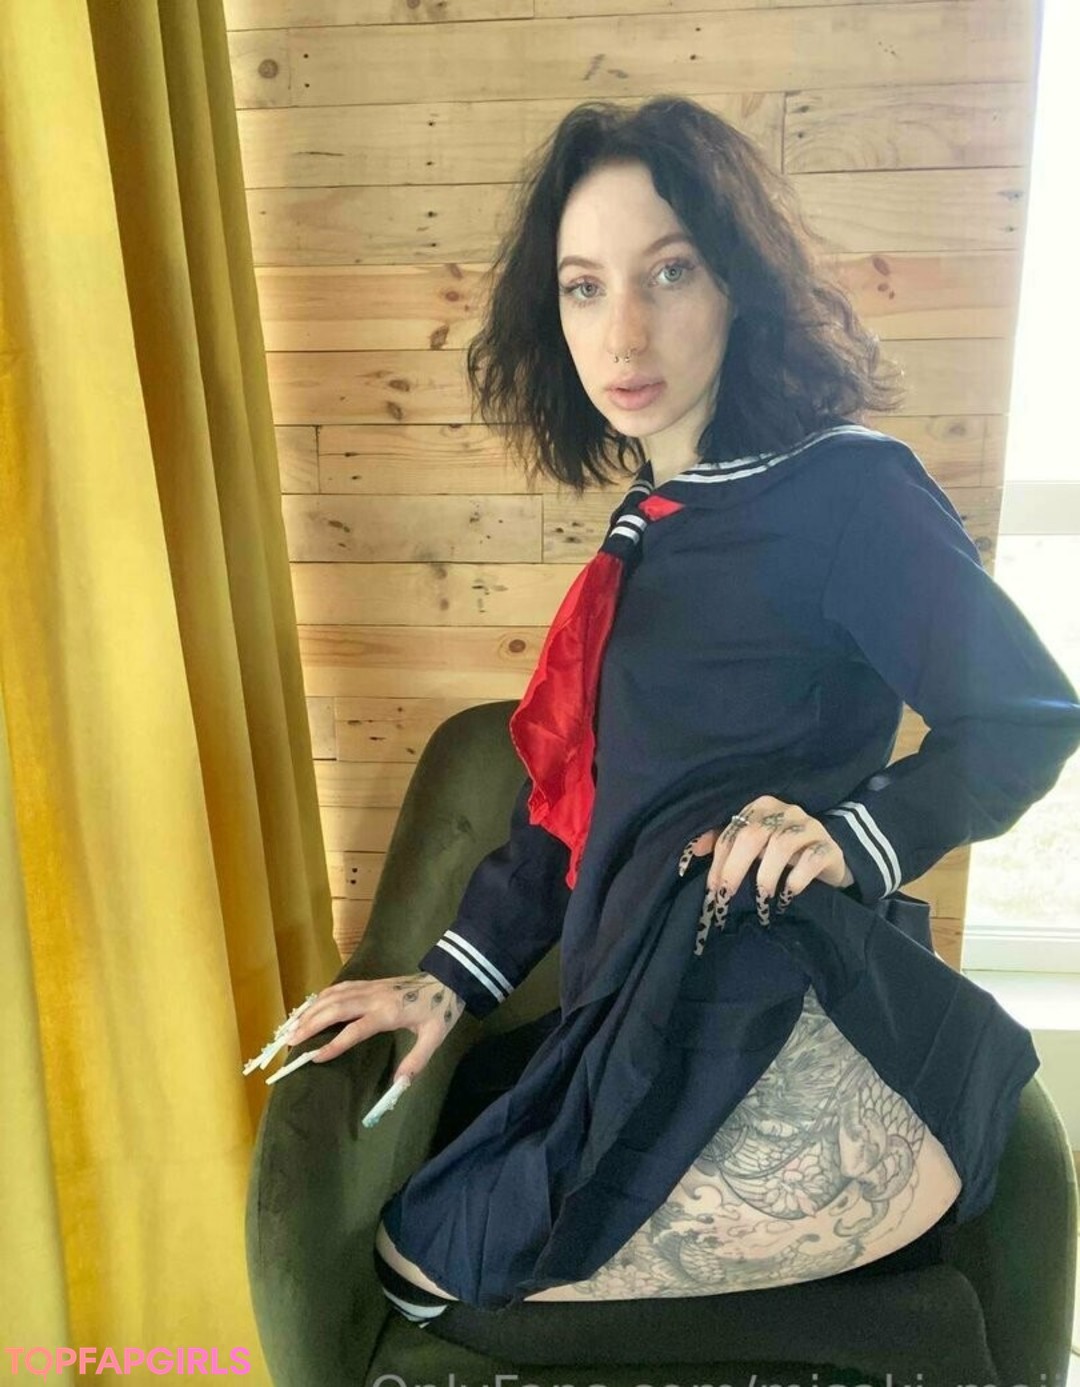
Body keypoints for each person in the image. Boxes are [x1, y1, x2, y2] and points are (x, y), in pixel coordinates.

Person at [280, 97, 1080, 1367]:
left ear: (737, 282)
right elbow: (571, 810)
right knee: (426, 1233)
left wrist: (855, 832)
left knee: (433, 1271)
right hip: (644, 1004)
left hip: (775, 1006)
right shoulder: (649, 530)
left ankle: (899, 1330)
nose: (626, 332)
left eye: (669, 271)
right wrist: (446, 978)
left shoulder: (848, 487)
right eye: (585, 287)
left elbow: (1027, 714)